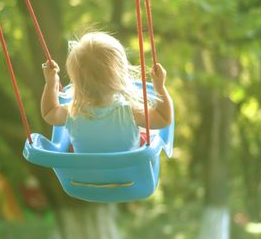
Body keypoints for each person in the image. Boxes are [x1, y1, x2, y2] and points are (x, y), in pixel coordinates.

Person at [41, 32, 172, 153]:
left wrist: (51, 83)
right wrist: (159, 87)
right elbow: (163, 118)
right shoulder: (130, 113)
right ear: (121, 75)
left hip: (84, 177)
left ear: (76, 81)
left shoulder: (72, 113)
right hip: (128, 176)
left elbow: (49, 112)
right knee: (148, 135)